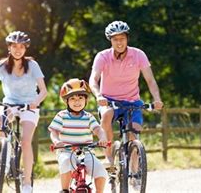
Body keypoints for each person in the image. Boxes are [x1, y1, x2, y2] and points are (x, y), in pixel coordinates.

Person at [0, 31, 47, 193]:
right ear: (9, 47)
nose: (18, 49)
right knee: (0, 120)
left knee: (26, 141)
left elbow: (43, 91)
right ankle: (1, 158)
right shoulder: (1, 65)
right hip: (10, 104)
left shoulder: (32, 66)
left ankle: (27, 183)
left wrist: (36, 102)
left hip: (29, 105)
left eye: (21, 46)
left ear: (25, 48)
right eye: (14, 46)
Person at [89, 20, 163, 165]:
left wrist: (157, 99)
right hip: (109, 100)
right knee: (106, 114)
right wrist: (98, 95)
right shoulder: (102, 56)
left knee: (133, 135)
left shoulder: (138, 55)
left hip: (132, 101)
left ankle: (135, 168)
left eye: (122, 38)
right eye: (115, 39)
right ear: (110, 40)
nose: (119, 42)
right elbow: (93, 79)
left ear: (127, 38)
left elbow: (150, 80)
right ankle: (109, 156)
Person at [49, 78, 108, 193]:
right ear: (67, 101)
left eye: (80, 98)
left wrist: (102, 137)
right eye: (73, 99)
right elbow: (54, 132)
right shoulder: (61, 116)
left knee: (101, 170)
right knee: (65, 162)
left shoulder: (89, 117)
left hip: (87, 152)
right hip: (67, 151)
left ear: (86, 100)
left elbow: (98, 129)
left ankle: (99, 191)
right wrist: (56, 141)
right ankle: (65, 189)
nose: (77, 102)